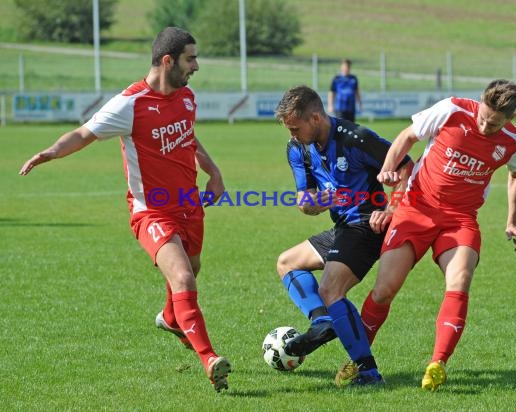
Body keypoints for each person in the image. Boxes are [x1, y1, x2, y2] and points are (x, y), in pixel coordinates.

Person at [19, 27, 232, 392]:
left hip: (189, 206)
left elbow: (189, 138)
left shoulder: (187, 97)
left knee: (190, 272)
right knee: (183, 278)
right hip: (151, 211)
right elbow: (84, 133)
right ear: (168, 61)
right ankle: (210, 359)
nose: (196, 66)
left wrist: (213, 171)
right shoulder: (129, 104)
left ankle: (170, 319)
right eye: (190, 58)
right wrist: (53, 151)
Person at [336, 79, 516, 390]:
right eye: (483, 116)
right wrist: (388, 167)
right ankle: (360, 361)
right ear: (479, 101)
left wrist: (513, 221)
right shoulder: (451, 110)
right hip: (415, 209)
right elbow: (407, 136)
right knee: (384, 290)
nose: (484, 125)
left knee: (460, 279)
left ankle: (438, 363)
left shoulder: (513, 141)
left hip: (460, 219)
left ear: (511, 119)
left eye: (494, 123)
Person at [275, 85, 413, 386]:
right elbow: (305, 199)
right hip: (342, 229)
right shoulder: (297, 148)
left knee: (331, 290)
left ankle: (368, 373)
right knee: (287, 263)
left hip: (366, 226)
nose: (292, 135)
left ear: (314, 118)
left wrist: (391, 209)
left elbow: (406, 167)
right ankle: (322, 320)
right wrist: (313, 203)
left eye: (295, 128)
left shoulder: (356, 139)